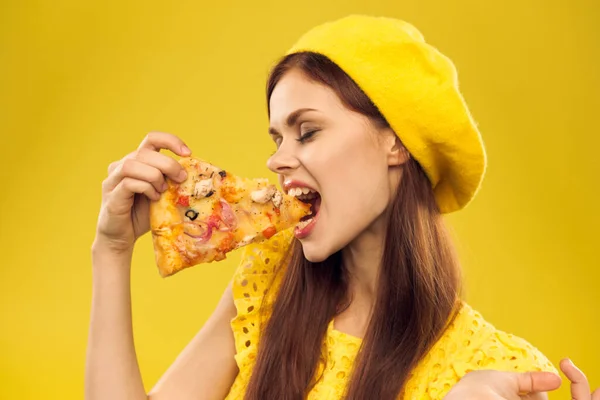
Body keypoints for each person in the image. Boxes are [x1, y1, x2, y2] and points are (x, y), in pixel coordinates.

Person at [85, 15, 597, 400]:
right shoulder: (270, 279)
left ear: (396, 144)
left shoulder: (489, 373)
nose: (276, 160)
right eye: (277, 137)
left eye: (307, 132)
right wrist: (111, 251)